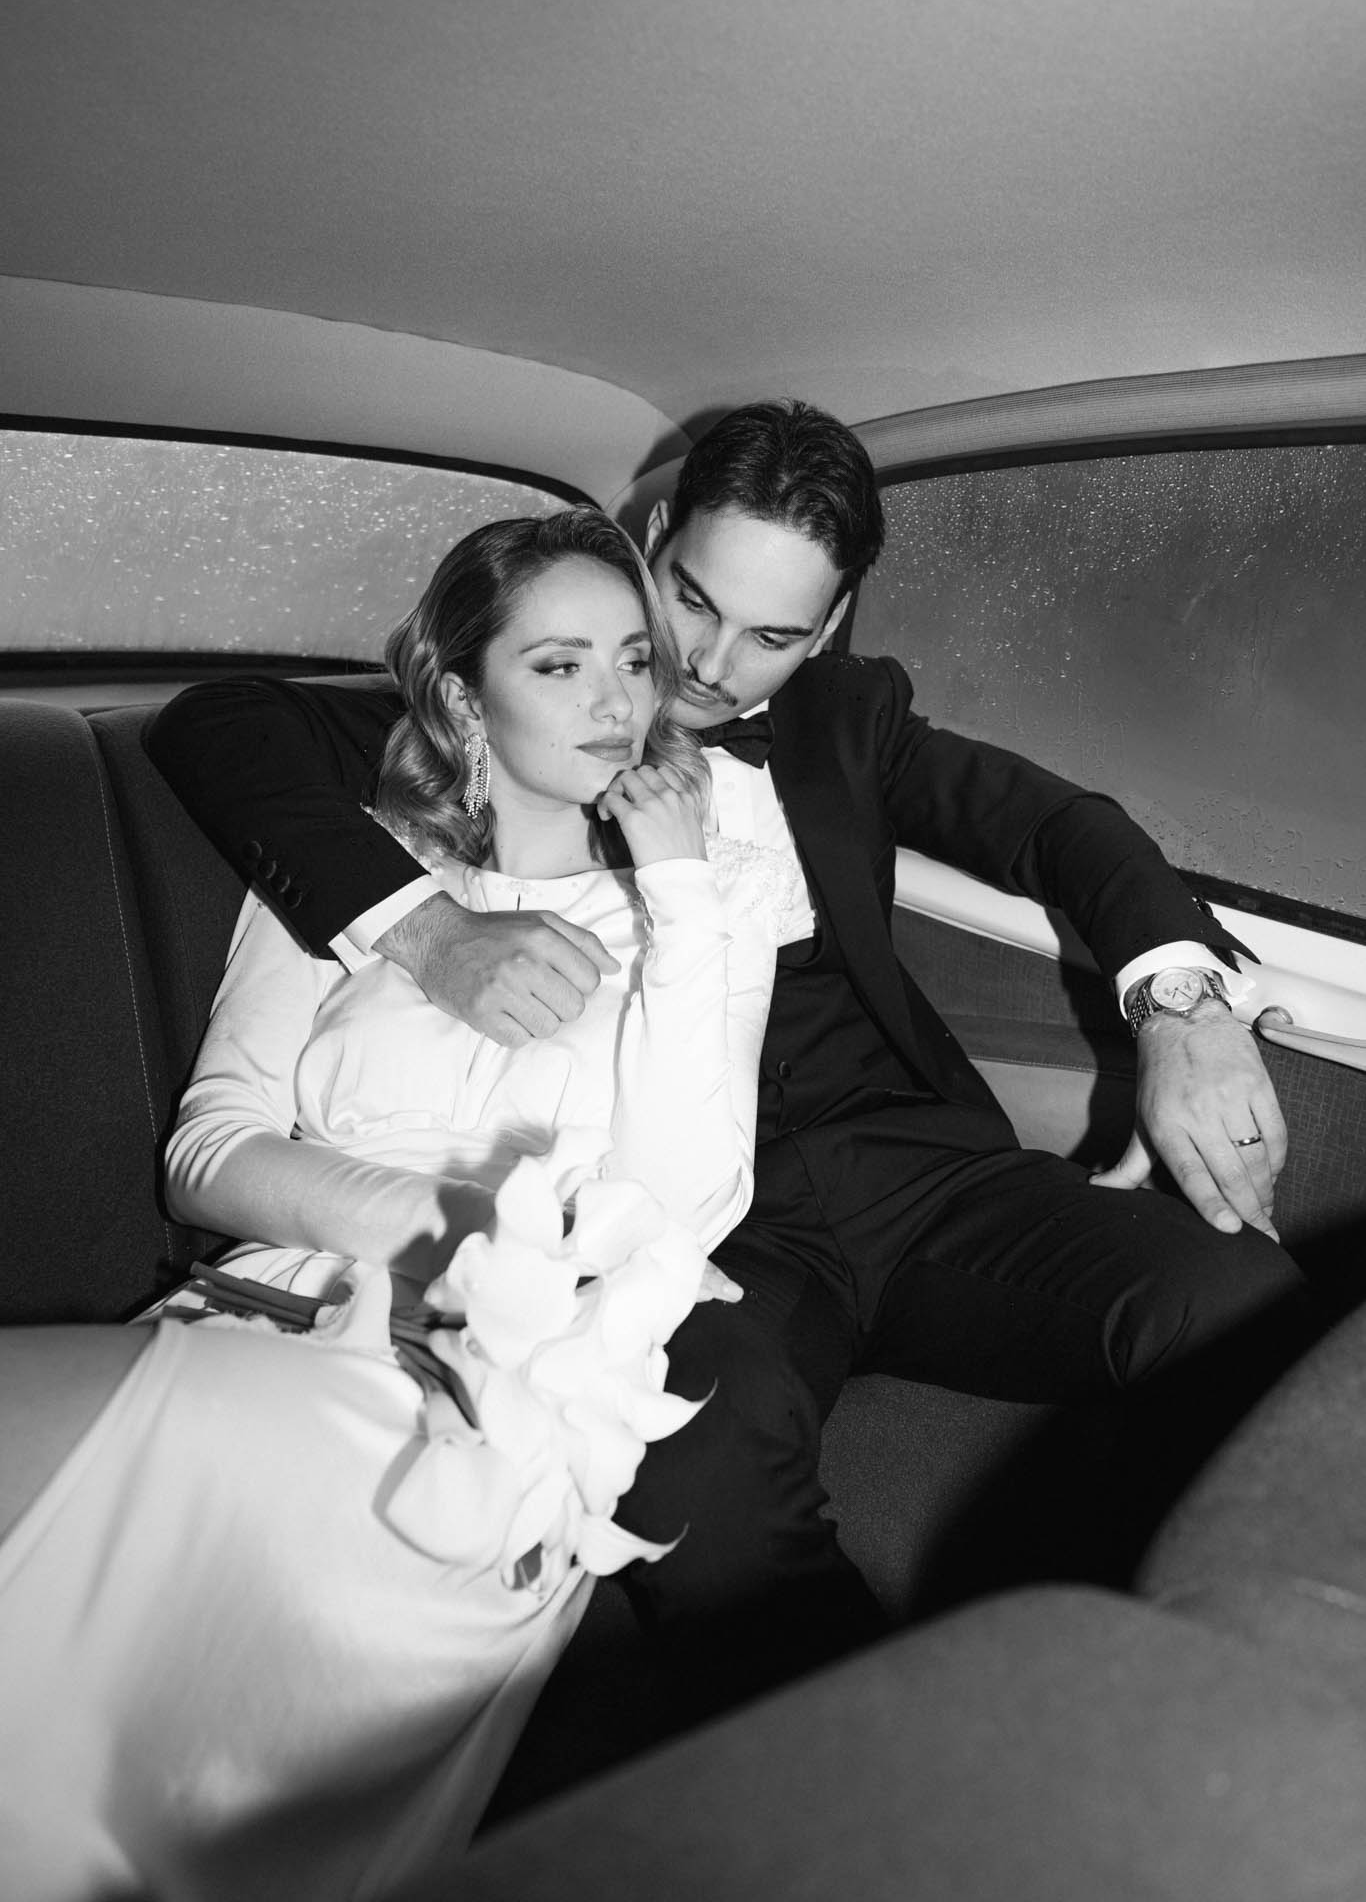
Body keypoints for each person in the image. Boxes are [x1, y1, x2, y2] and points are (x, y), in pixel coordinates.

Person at [146, 400, 1315, 1724]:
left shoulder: (843, 725)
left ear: (824, 633)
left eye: (770, 635)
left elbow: (1061, 829)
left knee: (1238, 1302)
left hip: (914, 1178)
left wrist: (1182, 1011)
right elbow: (220, 725)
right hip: (689, 1233)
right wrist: (430, 933)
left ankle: (1253, 1702)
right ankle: (874, 1793)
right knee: (698, 1472)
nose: (700, 666)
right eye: (687, 602)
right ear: (646, 540)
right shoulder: (523, 702)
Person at [0, 508, 792, 1899]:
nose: (616, 702)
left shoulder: (701, 907)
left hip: (480, 1399)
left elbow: (680, 1207)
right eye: (557, 666)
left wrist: (673, 885)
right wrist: (453, 1225)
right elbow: (209, 1152)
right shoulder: (362, 879)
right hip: (247, 1317)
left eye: (632, 660)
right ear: (462, 696)